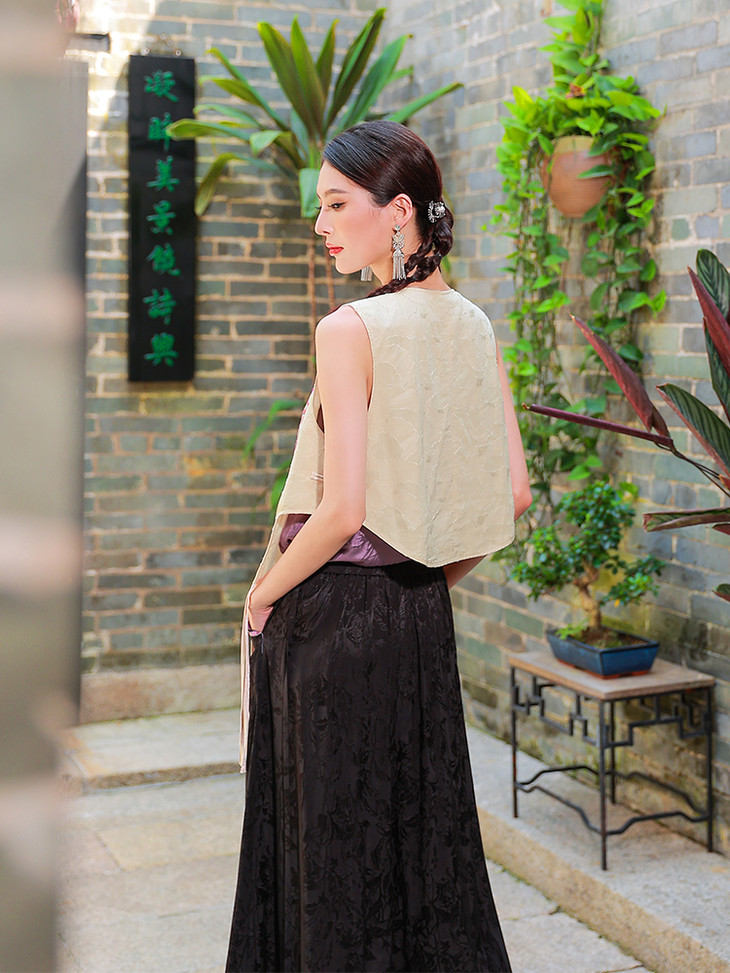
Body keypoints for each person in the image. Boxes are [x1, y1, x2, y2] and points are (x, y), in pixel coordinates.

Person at [225, 119, 532, 973]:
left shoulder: (350, 327)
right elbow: (512, 496)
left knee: (325, 852)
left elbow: (342, 508)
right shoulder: (475, 326)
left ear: (398, 212)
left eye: (335, 204)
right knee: (421, 845)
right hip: (419, 615)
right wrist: (421, 581)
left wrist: (261, 595)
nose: (319, 223)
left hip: (327, 618)